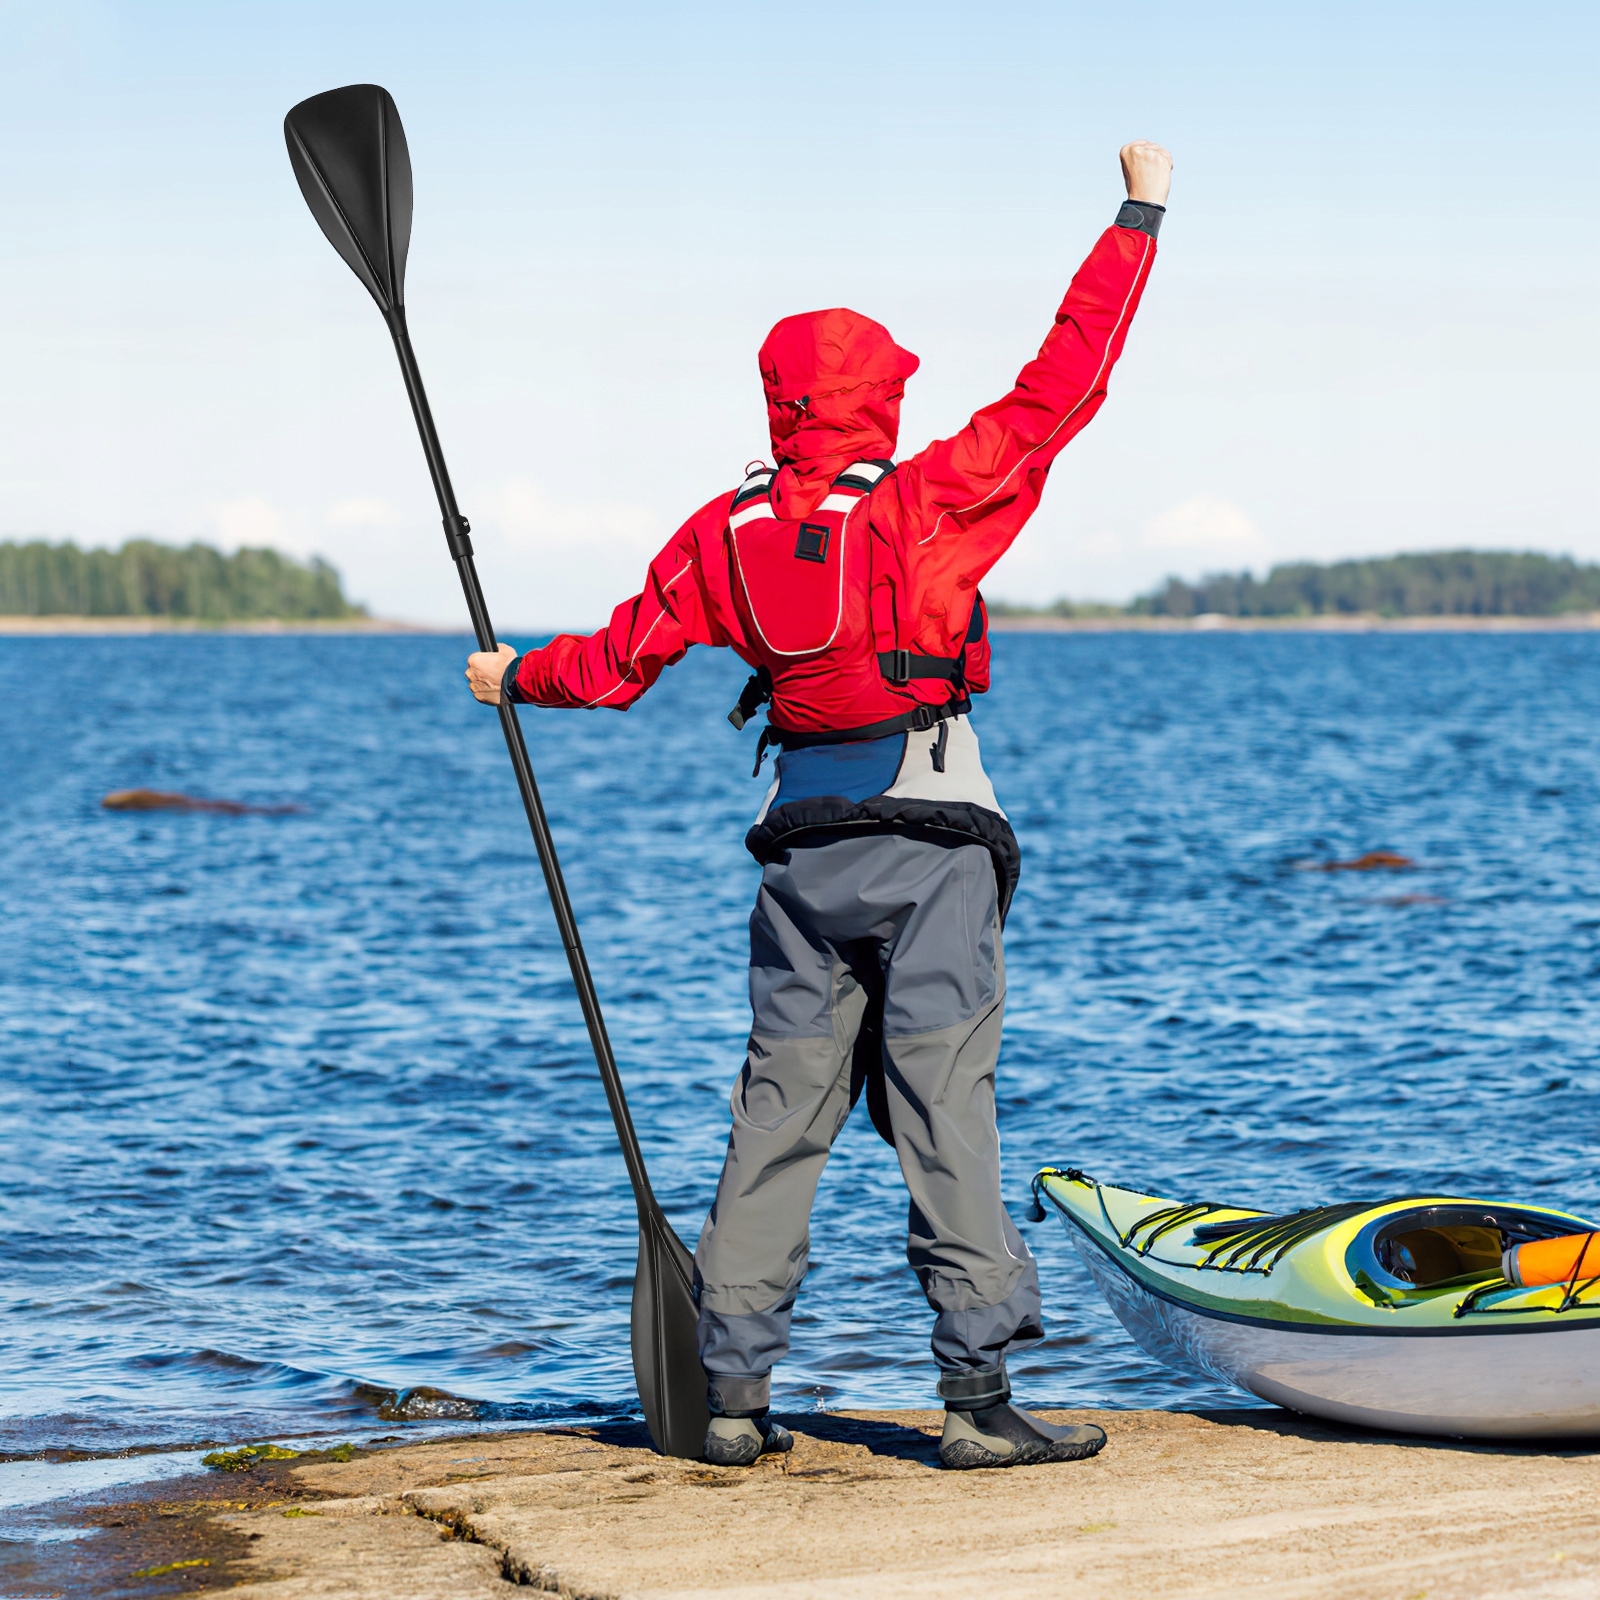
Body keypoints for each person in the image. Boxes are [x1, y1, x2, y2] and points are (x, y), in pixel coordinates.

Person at [468, 140, 1172, 1471]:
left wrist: (513, 676)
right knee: (943, 1111)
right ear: (880, 404)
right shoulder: (921, 506)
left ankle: (732, 1401)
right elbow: (1062, 384)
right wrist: (1139, 214)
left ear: (779, 404)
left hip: (802, 866)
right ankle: (976, 1407)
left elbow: (614, 667)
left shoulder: (718, 533)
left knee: (777, 1116)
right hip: (938, 857)